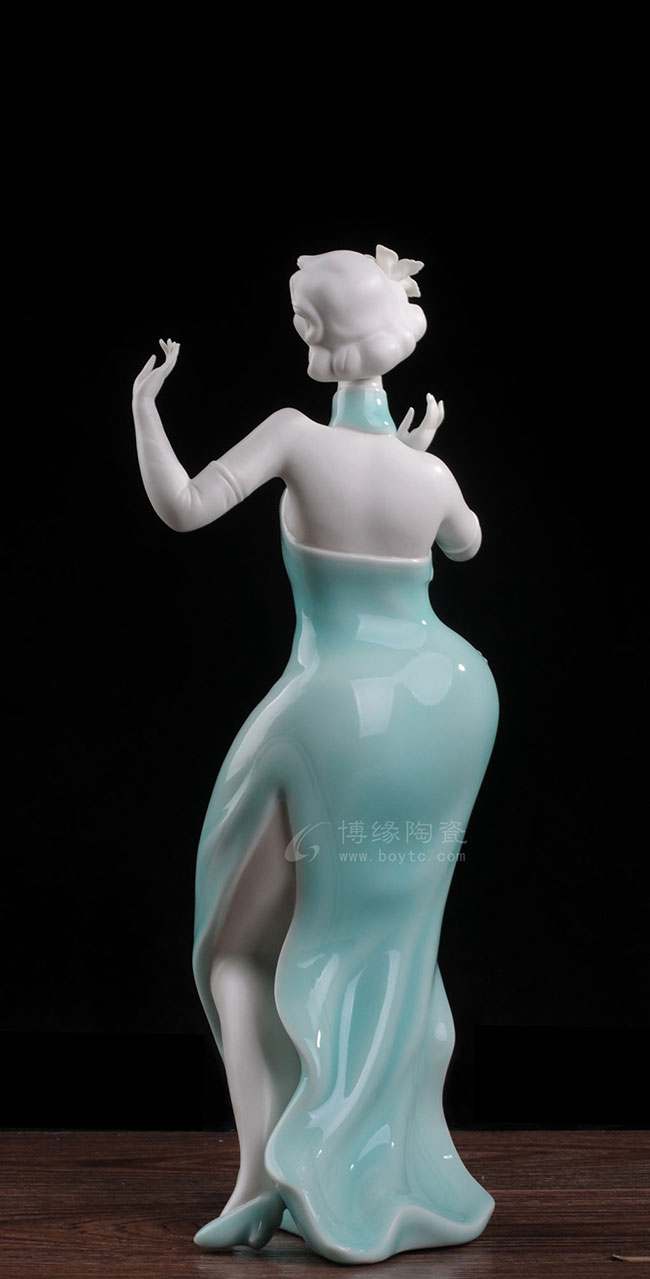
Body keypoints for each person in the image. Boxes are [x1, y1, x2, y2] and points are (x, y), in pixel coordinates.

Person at [132, 246, 498, 1264]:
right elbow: (464, 544)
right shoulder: (429, 472)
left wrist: (145, 409)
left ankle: (265, 1174)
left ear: (317, 340)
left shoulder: (294, 435)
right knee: (392, 944)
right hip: (447, 693)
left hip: (333, 707)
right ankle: (360, 1163)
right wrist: (409, 460)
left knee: (232, 951)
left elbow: (183, 505)